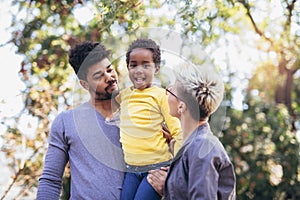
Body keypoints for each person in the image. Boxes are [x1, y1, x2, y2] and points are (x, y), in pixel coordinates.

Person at [36, 41, 165, 200]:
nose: (109, 78)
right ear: (84, 84)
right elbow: (50, 180)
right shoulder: (66, 122)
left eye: (110, 70)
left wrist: (168, 183)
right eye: (99, 76)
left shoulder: (143, 113)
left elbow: (173, 160)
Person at [148, 63, 236, 199]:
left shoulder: (201, 148)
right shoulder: (195, 145)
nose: (167, 92)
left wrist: (168, 189)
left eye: (171, 90)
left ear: (181, 106)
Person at [116, 39, 182, 200]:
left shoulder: (161, 96)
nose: (139, 70)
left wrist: (177, 169)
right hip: (131, 169)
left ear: (157, 68)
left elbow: (178, 131)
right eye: (133, 65)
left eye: (146, 65)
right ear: (128, 67)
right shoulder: (123, 96)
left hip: (156, 168)